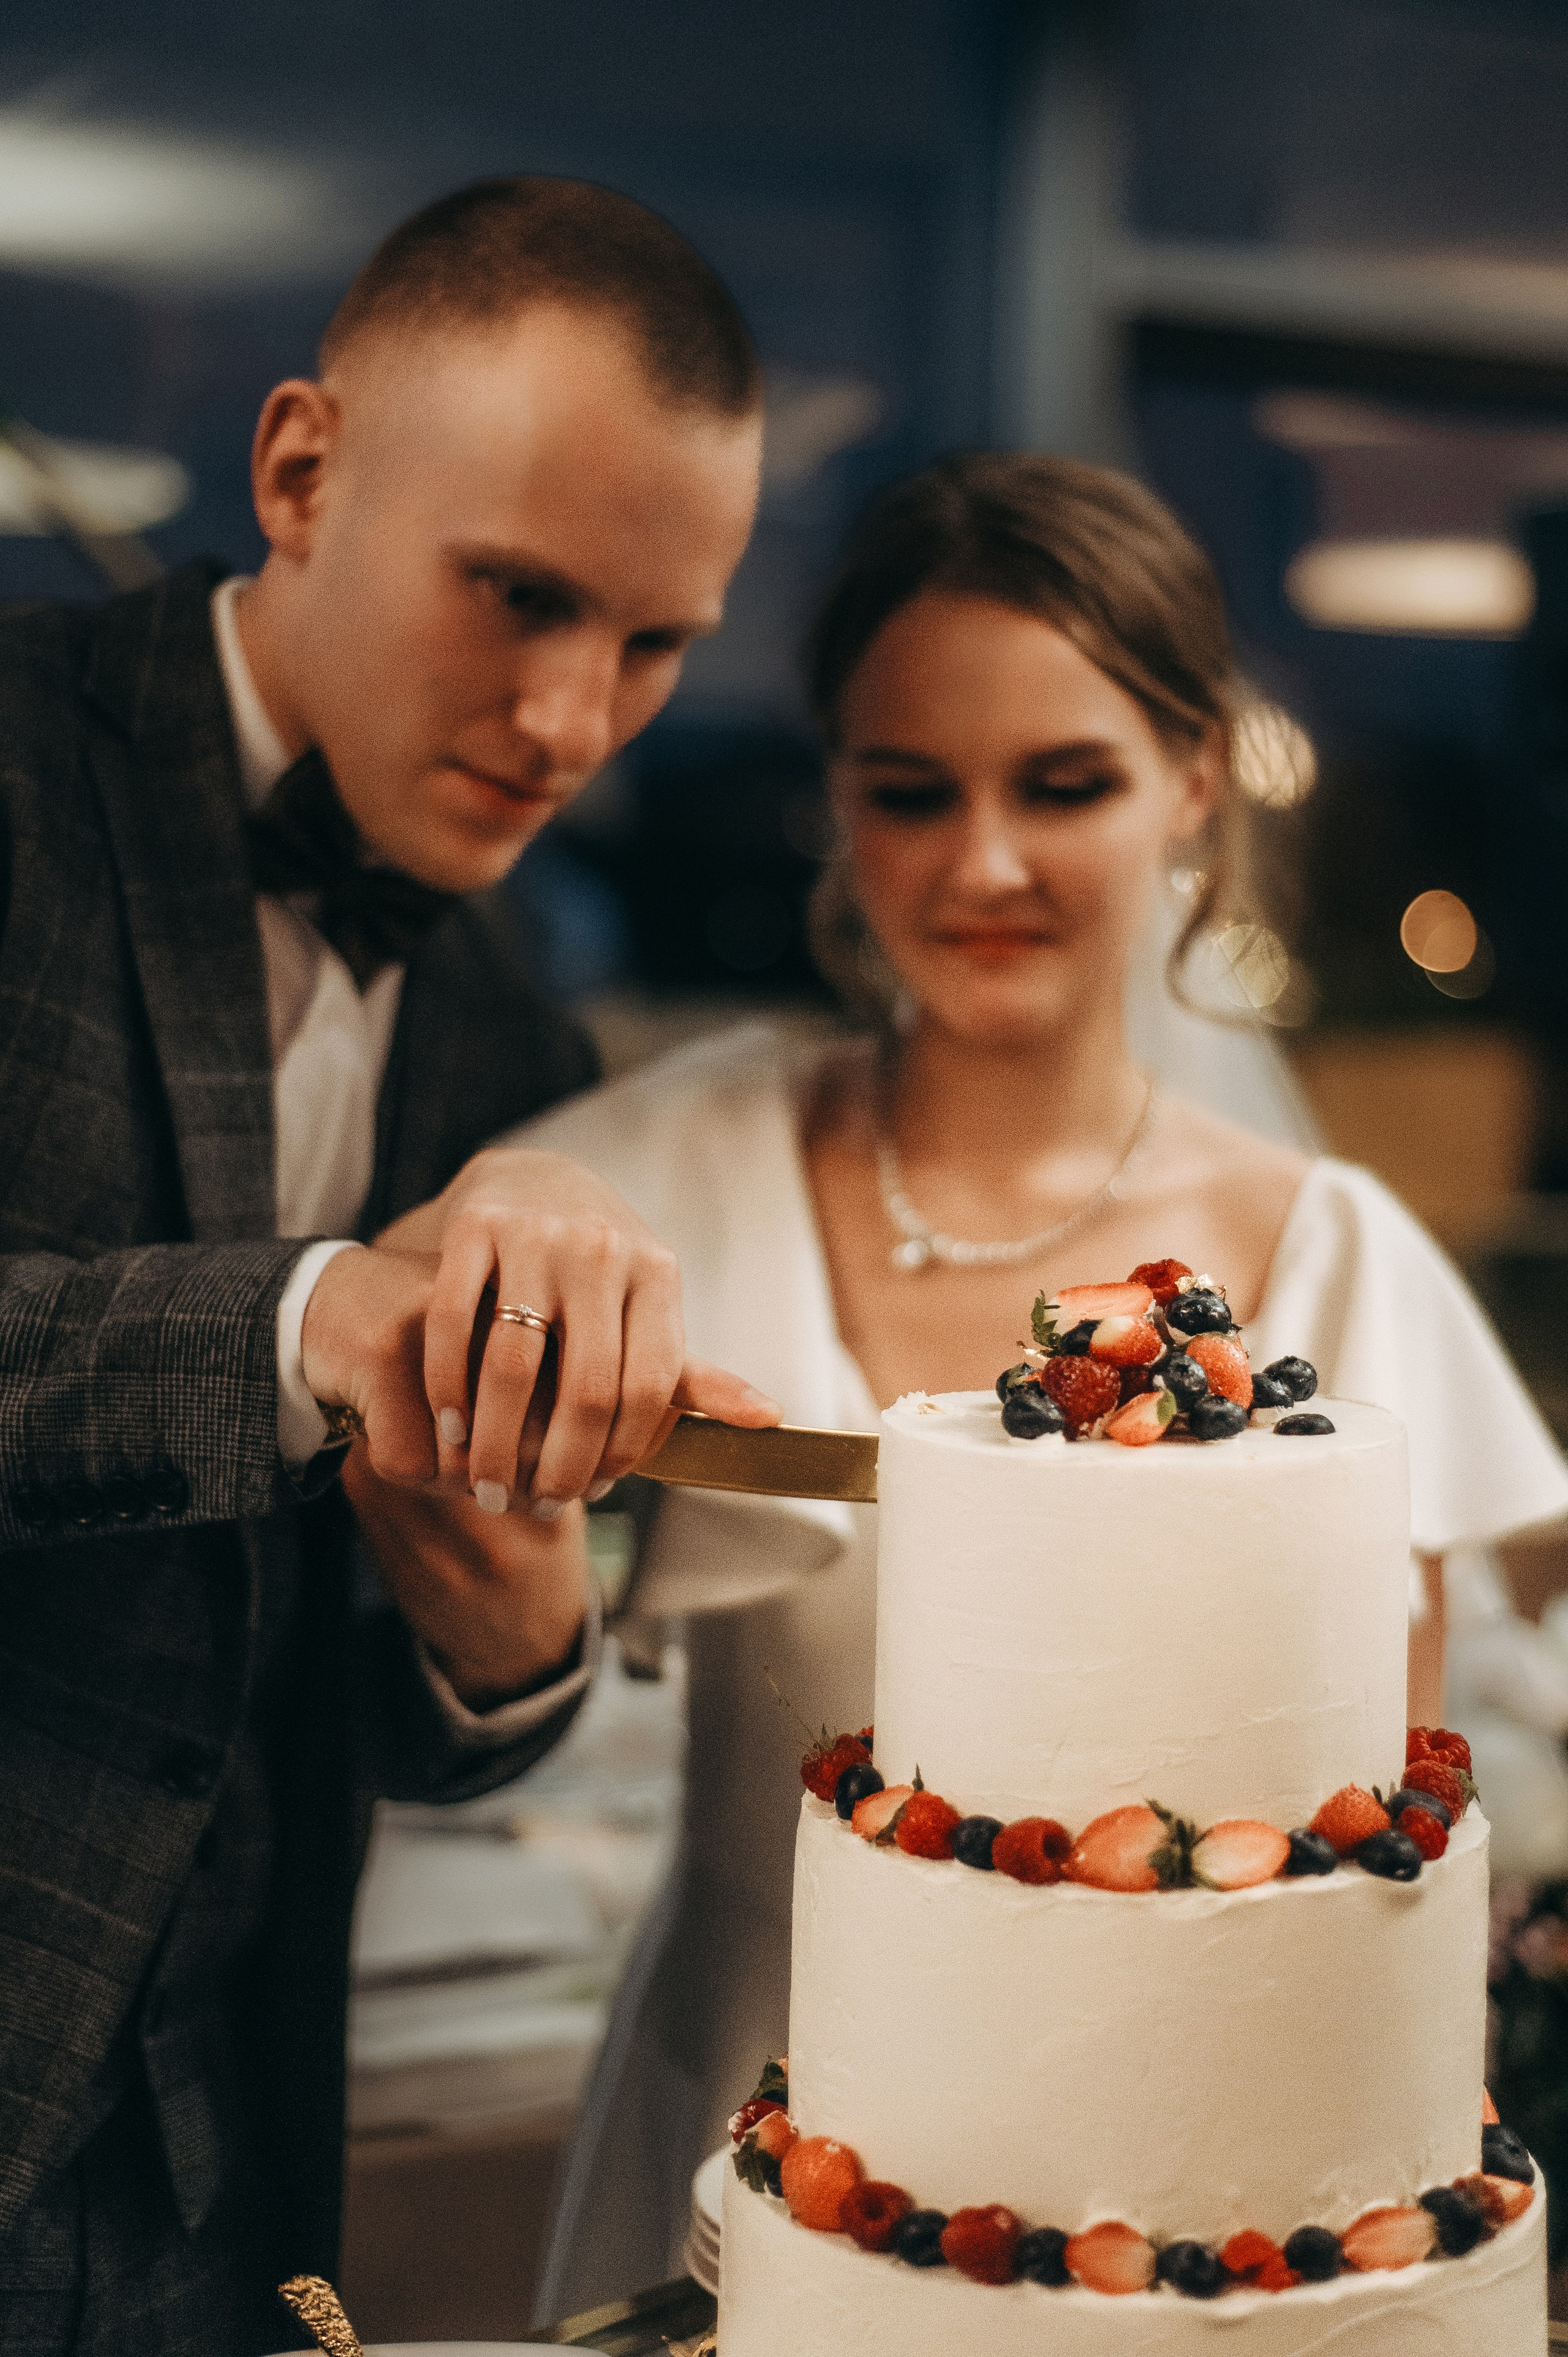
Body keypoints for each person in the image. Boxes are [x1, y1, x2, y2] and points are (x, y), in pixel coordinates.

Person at [369, 451, 1568, 2314]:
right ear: (837, 805)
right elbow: (410, 1327)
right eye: (909, 791)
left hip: (1198, 2233)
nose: (982, 861)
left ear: (1191, 779)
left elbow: (1354, 1880)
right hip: (747, 2126)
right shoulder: (679, 1160)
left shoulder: (1326, 1249)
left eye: (1063, 785)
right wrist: (503, 1238)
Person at [0, 176, 780, 2357]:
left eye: (653, 643)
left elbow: (355, 1717)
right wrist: (310, 1313)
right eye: (518, 593)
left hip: (217, 2192)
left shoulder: (514, 1020)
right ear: (300, 473)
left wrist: (510, 1644)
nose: (569, 719)